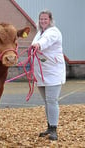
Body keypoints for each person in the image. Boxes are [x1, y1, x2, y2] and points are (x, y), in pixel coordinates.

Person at [31, 10, 66, 140]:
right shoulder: (39, 33)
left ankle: (54, 129)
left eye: (45, 19)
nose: (43, 21)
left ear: (50, 20)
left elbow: (46, 41)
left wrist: (38, 45)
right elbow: (36, 43)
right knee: (47, 101)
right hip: (41, 73)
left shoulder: (53, 32)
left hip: (53, 72)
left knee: (52, 100)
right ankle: (49, 126)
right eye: (41, 19)